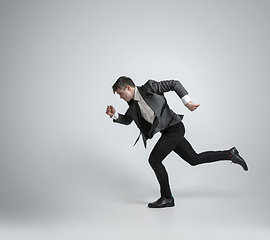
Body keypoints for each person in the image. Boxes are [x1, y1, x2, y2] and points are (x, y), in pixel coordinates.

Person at [106, 76, 248, 208]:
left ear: (128, 88)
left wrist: (187, 102)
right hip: (167, 132)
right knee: (194, 159)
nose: (120, 97)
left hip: (175, 128)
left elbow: (174, 84)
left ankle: (167, 198)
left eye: (120, 93)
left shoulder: (149, 87)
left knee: (154, 160)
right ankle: (230, 154)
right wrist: (115, 115)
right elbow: (127, 120)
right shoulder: (133, 106)